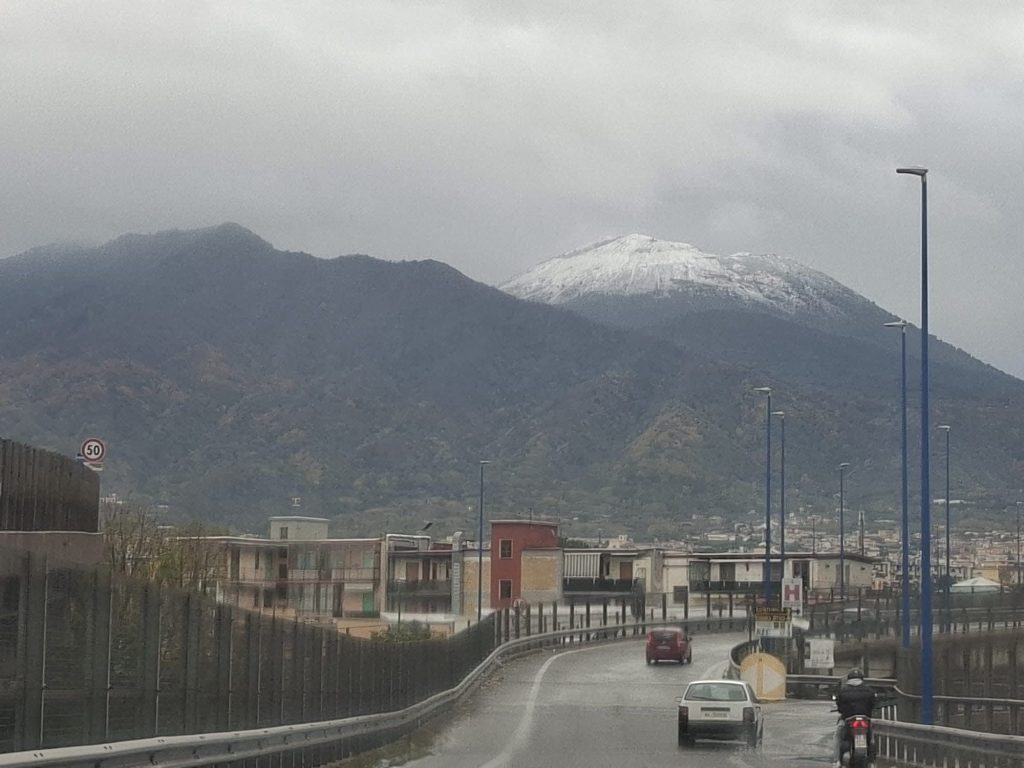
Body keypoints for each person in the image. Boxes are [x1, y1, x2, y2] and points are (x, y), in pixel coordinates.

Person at [831, 668, 878, 767]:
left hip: (848, 719)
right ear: (861, 679)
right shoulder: (869, 690)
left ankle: (836, 761)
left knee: (837, 736)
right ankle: (872, 762)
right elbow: (874, 704)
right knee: (872, 737)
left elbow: (839, 706)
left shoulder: (843, 690)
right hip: (865, 719)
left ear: (849, 679)